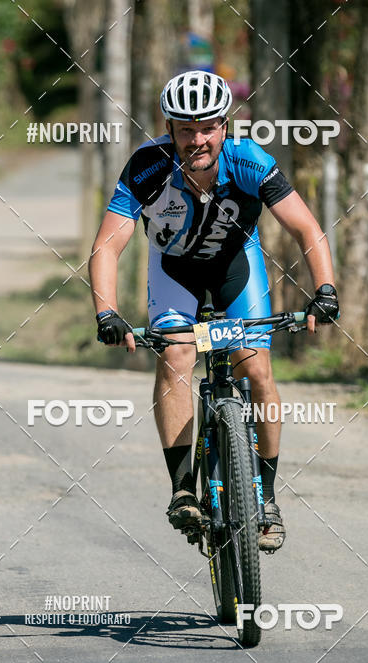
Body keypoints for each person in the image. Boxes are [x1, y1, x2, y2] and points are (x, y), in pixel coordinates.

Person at [89, 70, 339, 552]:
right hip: (175, 271)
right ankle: (183, 489)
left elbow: (306, 229)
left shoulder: (250, 162)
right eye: (185, 129)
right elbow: (107, 246)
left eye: (207, 127)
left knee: (256, 368)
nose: (197, 140)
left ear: (225, 125)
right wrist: (107, 313)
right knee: (177, 356)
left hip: (235, 268)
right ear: (169, 128)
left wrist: (325, 290)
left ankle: (266, 497)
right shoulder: (147, 166)